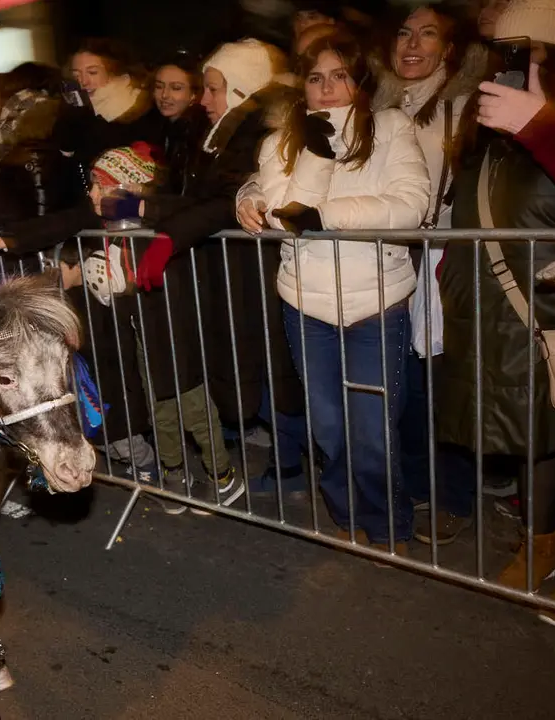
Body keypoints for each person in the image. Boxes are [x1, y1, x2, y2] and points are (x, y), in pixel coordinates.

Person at [439, 0, 555, 626]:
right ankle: (540, 547)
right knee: (534, 445)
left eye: (532, 49)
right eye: (509, 50)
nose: (517, 61)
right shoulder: (499, 108)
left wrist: (542, 123)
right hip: (512, 309)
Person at [237, 31, 431, 553]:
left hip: (377, 304)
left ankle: (389, 526)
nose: (326, 88)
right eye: (316, 77)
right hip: (305, 305)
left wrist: (322, 218)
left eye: (339, 75)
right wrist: (315, 155)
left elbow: (411, 205)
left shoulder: (391, 128)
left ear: (361, 80)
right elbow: (282, 216)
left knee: (373, 428)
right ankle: (346, 513)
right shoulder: (280, 142)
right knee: (328, 427)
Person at [140, 39, 309, 503]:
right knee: (245, 361)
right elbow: (198, 197)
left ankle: (292, 458)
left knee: (271, 363)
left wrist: (168, 233)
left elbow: (221, 202)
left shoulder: (254, 133)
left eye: (213, 89)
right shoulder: (215, 133)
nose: (203, 99)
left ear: (241, 90)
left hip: (254, 271)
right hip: (225, 268)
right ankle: (279, 451)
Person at [373, 2, 485, 545]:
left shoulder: (466, 107)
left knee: (443, 383)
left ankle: (454, 496)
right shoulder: (374, 105)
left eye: (427, 34)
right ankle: (418, 485)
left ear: (449, 46)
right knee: (404, 386)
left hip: (443, 259)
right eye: (403, 33)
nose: (412, 44)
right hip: (389, 257)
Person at [55, 39, 158, 204]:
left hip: (128, 206)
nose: (83, 82)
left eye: (93, 72)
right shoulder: (74, 109)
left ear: (113, 71)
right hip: (85, 203)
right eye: (76, 75)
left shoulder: (142, 108)